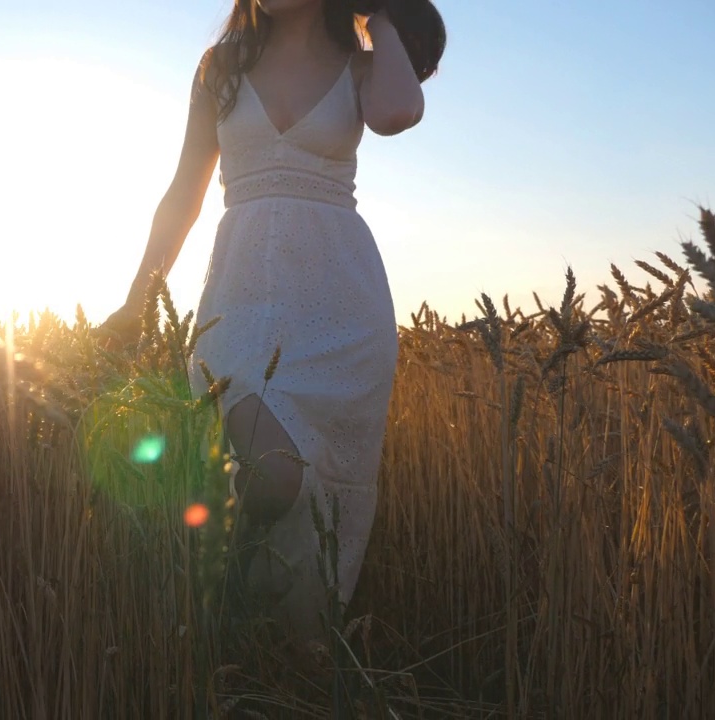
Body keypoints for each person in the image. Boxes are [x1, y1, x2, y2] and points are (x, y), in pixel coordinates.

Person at [101, 0, 445, 648]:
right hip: (238, 298)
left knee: (318, 489)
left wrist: (384, 16)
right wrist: (138, 299)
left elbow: (400, 112)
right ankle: (221, 601)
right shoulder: (221, 65)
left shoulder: (361, 64)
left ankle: (262, 647)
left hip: (340, 312)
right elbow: (183, 193)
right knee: (275, 472)